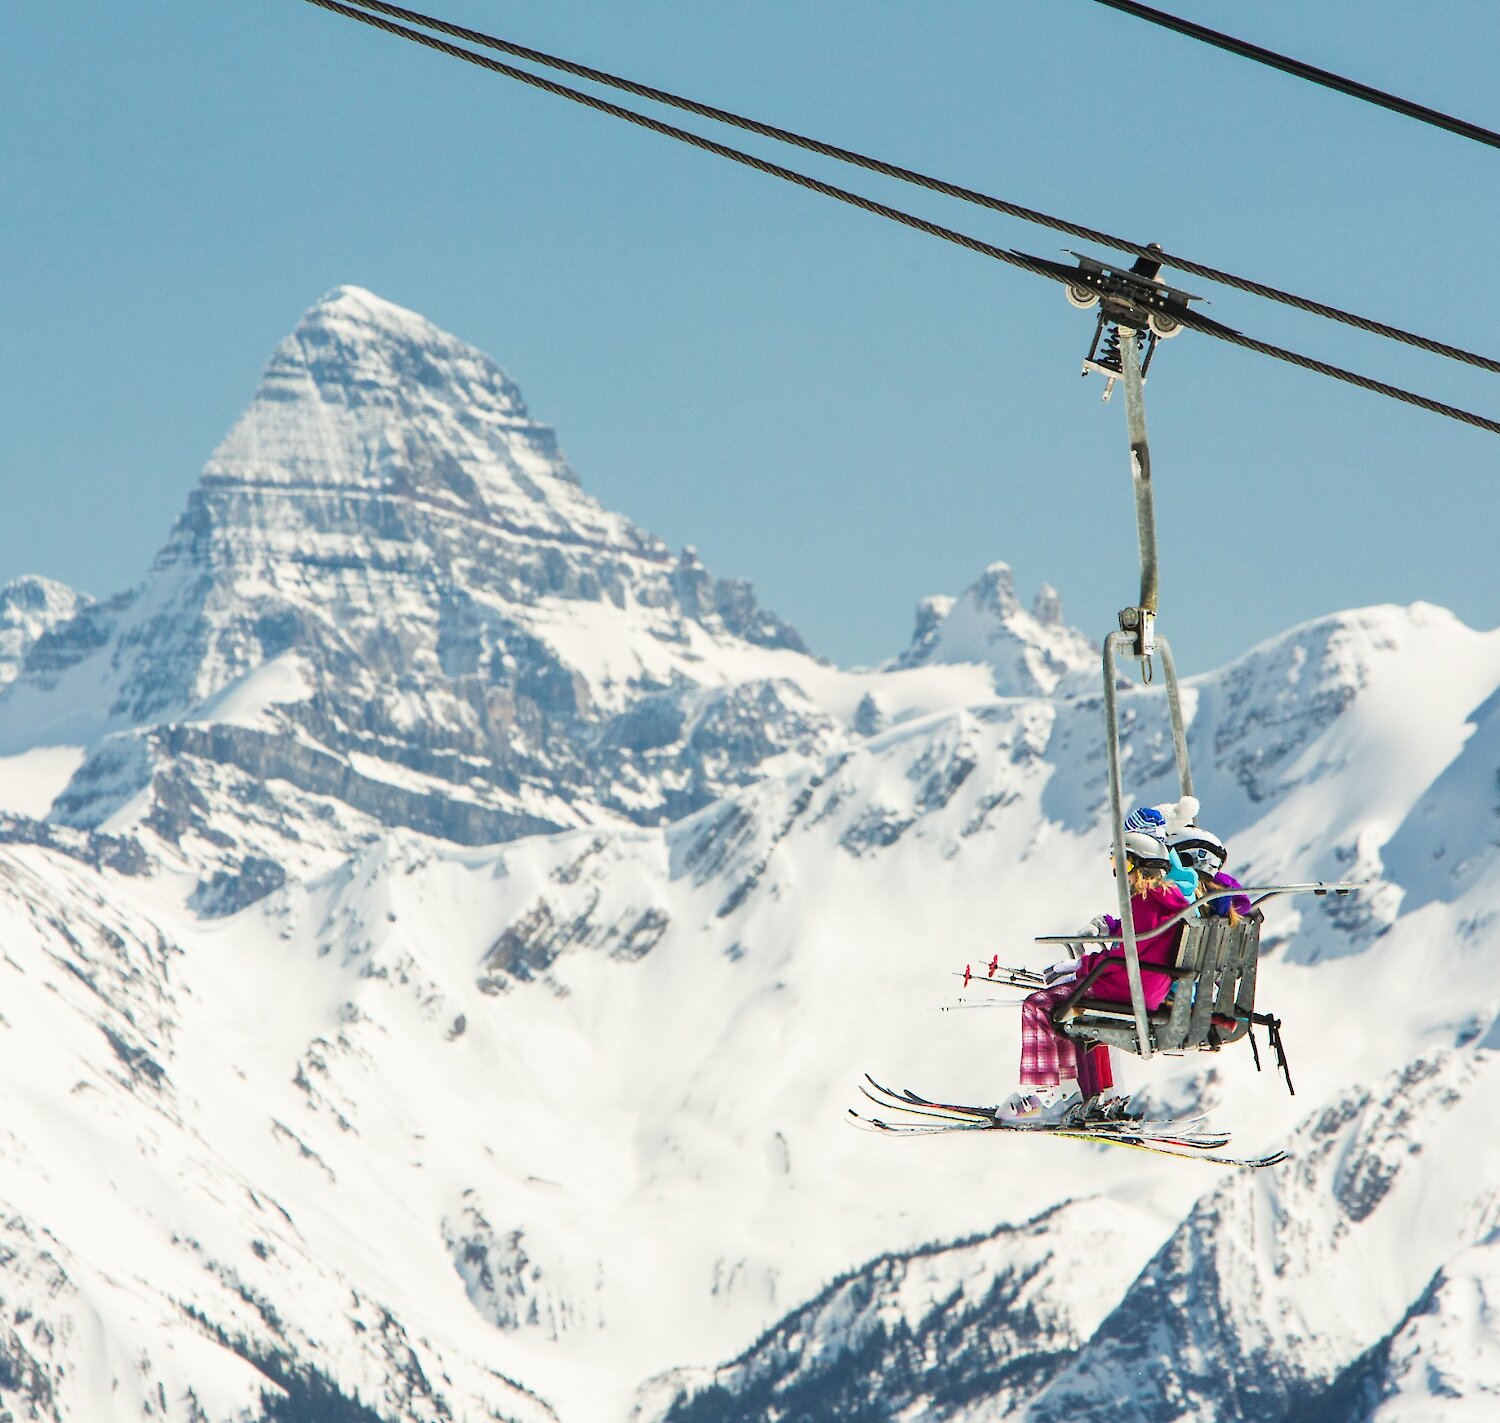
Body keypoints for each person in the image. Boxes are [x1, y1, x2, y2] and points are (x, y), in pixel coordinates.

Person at [998, 830, 1190, 1125]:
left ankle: (1053, 1095)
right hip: (1146, 986)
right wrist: (1109, 927)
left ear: (1138, 866)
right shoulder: (1165, 900)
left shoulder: (1144, 901)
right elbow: (1139, 939)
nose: (1117, 872)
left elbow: (1126, 953)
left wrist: (1080, 966)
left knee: (1039, 1005)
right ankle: (1095, 1095)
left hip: (1128, 989)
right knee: (1072, 1010)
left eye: (1121, 864)